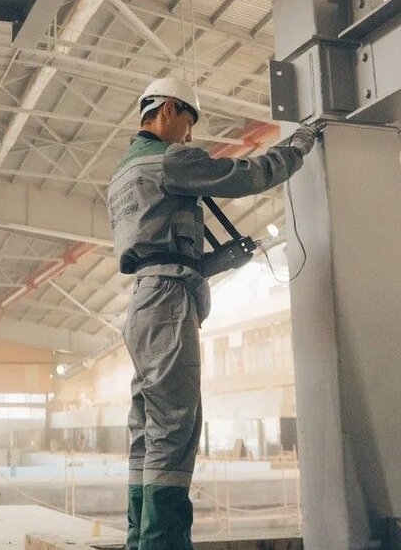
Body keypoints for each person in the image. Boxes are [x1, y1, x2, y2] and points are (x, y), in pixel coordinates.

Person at [107, 77, 319, 550]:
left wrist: (218, 262)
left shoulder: (123, 173)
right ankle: (163, 544)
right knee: (175, 429)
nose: (188, 136)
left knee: (147, 428)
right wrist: (298, 146)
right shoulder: (170, 158)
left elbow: (154, 245)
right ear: (166, 110)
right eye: (187, 122)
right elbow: (246, 175)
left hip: (143, 301)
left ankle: (140, 541)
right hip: (166, 301)